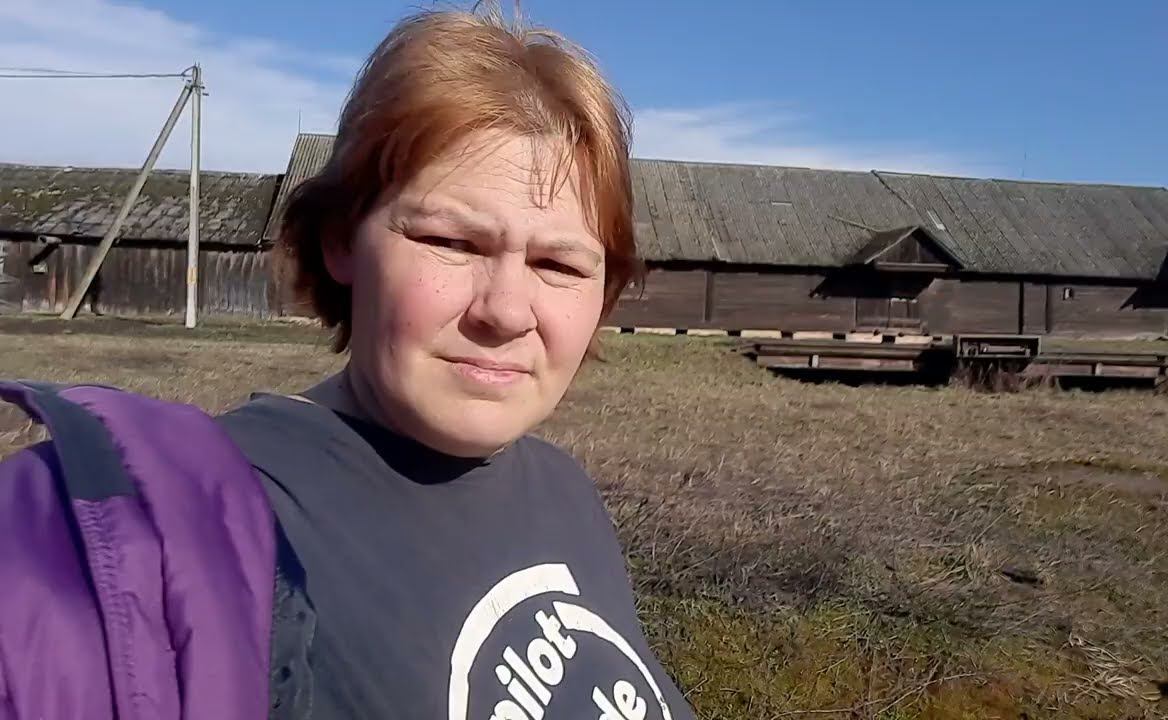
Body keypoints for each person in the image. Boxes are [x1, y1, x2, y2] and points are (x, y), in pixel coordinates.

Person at [0, 8, 696, 720]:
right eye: (452, 243)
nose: (507, 311)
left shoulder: (563, 494)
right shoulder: (156, 546)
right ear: (340, 241)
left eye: (559, 264)